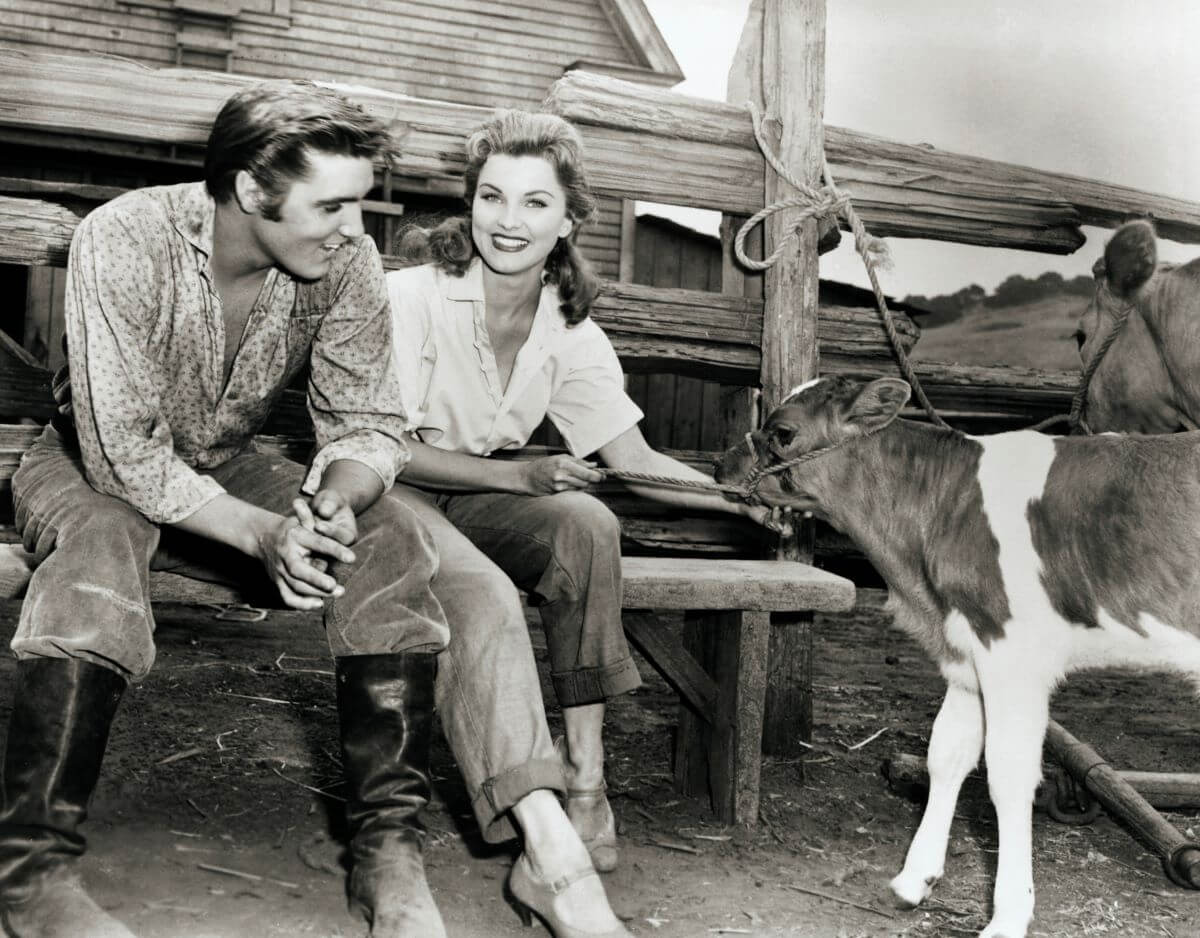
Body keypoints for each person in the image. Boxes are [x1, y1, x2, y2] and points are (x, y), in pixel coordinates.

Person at [0, 82, 453, 938]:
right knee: (102, 536)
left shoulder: (346, 262)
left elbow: (365, 419)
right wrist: (262, 532)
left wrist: (332, 503)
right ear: (251, 190)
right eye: (334, 204)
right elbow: (123, 454)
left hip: (228, 466)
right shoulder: (124, 236)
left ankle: (387, 850)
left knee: (392, 538)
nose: (357, 229)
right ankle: (32, 870)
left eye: (361, 203)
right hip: (85, 462)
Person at [385, 110, 775, 934]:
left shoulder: (570, 329)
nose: (507, 221)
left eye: (534, 204)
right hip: (393, 489)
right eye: (491, 197)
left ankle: (587, 783)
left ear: (569, 220)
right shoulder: (410, 297)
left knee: (586, 523)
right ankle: (538, 818)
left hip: (478, 494)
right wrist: (517, 472)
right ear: (470, 203)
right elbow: (379, 447)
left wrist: (735, 496)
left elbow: (633, 458)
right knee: (483, 580)